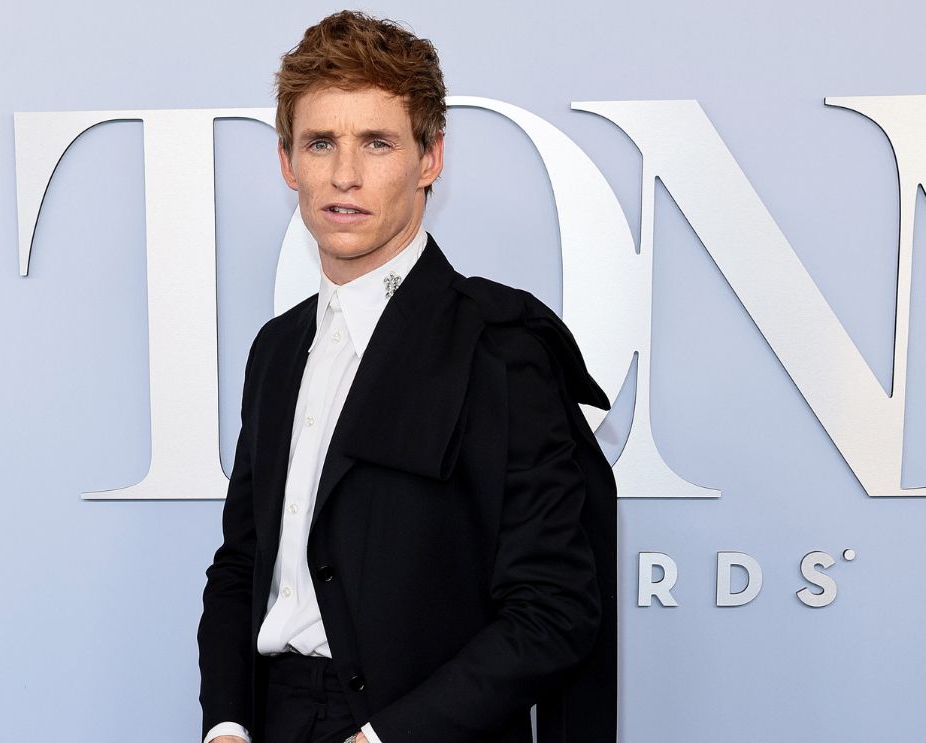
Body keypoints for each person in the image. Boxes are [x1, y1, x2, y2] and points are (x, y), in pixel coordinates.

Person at [198, 10, 616, 743]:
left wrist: (387, 737)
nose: (344, 175)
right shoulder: (276, 348)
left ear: (429, 159)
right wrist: (226, 721)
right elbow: (242, 564)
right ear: (287, 162)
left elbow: (553, 609)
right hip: (274, 718)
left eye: (377, 142)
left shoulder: (503, 346)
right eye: (320, 142)